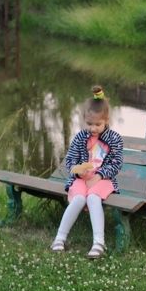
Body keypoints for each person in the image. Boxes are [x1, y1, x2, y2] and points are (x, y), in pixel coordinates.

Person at [50, 85, 124, 260]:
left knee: (92, 198)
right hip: (81, 179)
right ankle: (59, 238)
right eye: (89, 124)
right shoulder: (80, 137)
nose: (93, 128)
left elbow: (116, 163)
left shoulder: (114, 139)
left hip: (103, 179)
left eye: (98, 124)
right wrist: (78, 171)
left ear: (106, 120)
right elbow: (70, 160)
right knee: (79, 199)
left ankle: (99, 243)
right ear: (84, 119)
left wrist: (99, 175)